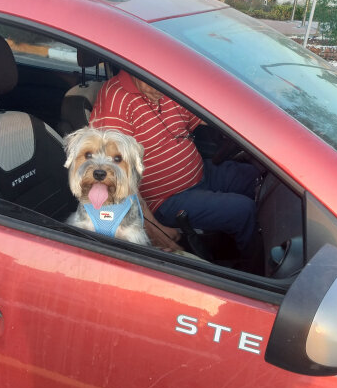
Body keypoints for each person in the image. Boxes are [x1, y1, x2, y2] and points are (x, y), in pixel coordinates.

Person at [89, 70, 260, 255]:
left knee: (256, 178)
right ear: (136, 66)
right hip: (166, 200)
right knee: (244, 211)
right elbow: (113, 177)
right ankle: (259, 270)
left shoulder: (162, 82)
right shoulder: (115, 101)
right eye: (152, 78)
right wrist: (154, 229)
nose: (161, 90)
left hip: (201, 174)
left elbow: (205, 117)